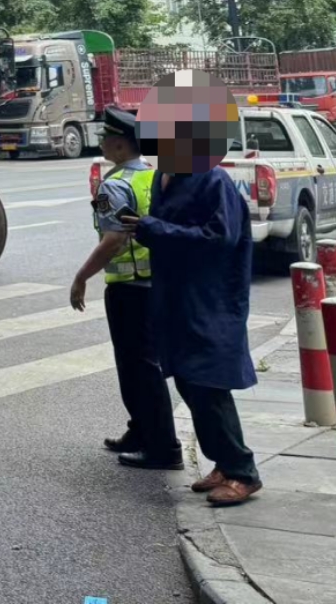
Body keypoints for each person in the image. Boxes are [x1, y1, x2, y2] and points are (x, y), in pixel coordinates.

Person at [119, 71, 262, 507]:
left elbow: (217, 240)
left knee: (208, 383)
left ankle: (242, 471)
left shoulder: (212, 180)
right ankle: (222, 461)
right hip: (175, 297)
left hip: (209, 300)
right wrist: (144, 229)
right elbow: (163, 231)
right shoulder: (166, 176)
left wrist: (153, 228)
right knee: (186, 379)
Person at [69, 105, 181, 469]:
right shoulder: (151, 176)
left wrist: (82, 276)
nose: (101, 143)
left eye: (105, 138)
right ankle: (141, 431)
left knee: (139, 369)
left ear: (120, 145)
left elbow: (113, 239)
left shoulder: (113, 185)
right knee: (141, 365)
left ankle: (163, 448)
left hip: (129, 287)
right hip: (154, 283)